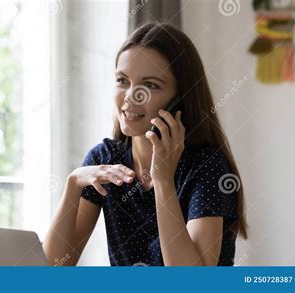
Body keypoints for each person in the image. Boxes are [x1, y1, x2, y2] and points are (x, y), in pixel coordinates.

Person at [43, 21, 248, 266]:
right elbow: (53, 269)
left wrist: (162, 180)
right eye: (122, 80)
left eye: (150, 85)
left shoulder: (206, 167)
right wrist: (73, 184)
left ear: (180, 99)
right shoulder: (105, 160)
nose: (131, 95)